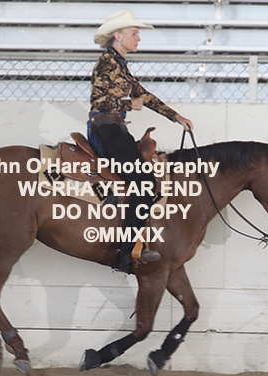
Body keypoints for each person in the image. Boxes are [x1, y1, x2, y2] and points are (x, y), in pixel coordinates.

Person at [88, 9, 194, 273]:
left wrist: (176, 116)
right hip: (105, 129)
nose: (138, 38)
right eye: (134, 33)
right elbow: (98, 101)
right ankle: (125, 253)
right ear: (118, 35)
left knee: (143, 180)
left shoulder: (119, 64)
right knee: (145, 183)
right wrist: (128, 104)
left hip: (115, 128)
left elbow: (144, 95)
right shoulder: (106, 63)